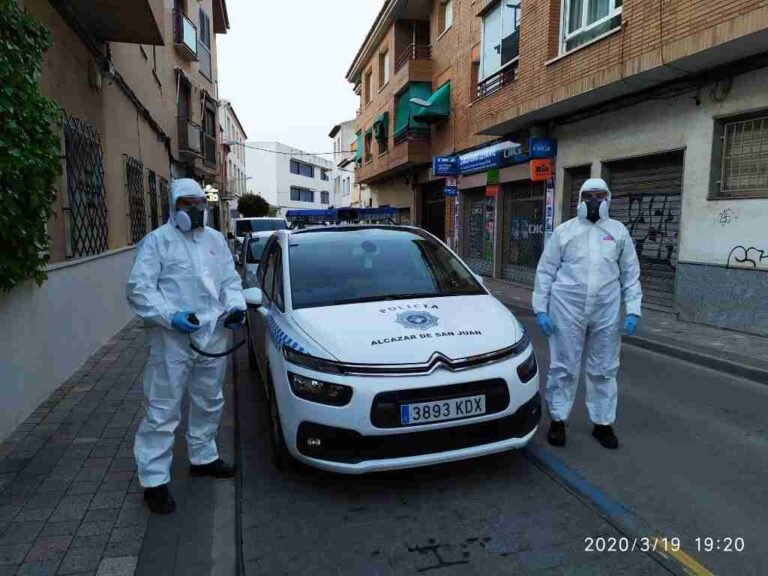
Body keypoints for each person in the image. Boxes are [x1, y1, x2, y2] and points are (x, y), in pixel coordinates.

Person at [126, 178, 246, 514]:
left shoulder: (215, 240)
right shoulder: (157, 243)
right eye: (186, 203)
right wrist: (170, 315)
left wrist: (235, 306)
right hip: (172, 339)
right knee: (163, 409)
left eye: (198, 203)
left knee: (209, 400)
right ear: (173, 206)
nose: (193, 210)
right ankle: (154, 481)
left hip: (213, 332)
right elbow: (139, 289)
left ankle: (203, 457)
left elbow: (229, 281)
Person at [532, 178, 641, 450]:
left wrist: (633, 310)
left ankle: (602, 424)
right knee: (564, 366)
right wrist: (541, 309)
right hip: (566, 307)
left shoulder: (618, 232)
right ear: (580, 198)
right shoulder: (564, 231)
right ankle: (558, 421)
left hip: (607, 308)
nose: (594, 200)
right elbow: (546, 271)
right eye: (589, 195)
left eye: (599, 195)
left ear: (608, 198)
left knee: (604, 368)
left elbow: (630, 273)